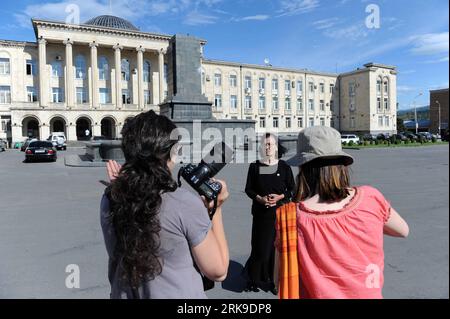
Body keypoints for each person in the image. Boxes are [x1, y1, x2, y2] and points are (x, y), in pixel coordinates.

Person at [100, 110, 229, 299]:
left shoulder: (110, 198)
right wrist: (216, 208)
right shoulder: (183, 204)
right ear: (169, 153)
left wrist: (125, 185)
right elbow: (218, 271)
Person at [280, 126, 409, 298]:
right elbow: (403, 230)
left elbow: (279, 279)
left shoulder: (292, 217)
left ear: (303, 168)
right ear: (342, 165)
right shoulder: (371, 197)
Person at [244, 133, 295, 294]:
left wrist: (279, 197)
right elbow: (249, 189)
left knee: (276, 250)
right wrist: (260, 198)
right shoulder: (254, 166)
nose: (267, 147)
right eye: (264, 145)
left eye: (270, 144)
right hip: (261, 215)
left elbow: (292, 189)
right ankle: (253, 279)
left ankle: (273, 281)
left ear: (276, 147)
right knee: (259, 248)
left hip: (280, 214)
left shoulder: (284, 167)